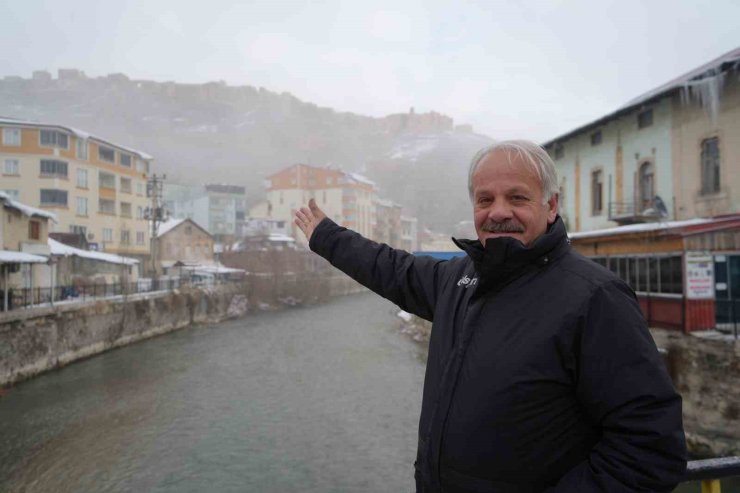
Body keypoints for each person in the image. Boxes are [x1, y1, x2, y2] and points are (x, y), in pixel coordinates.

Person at [294, 140, 686, 493]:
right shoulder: (459, 279)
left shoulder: (594, 298)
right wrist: (326, 237)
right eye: (485, 200)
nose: (498, 212)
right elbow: (391, 268)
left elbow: (649, 448)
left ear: (551, 206)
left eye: (517, 197)